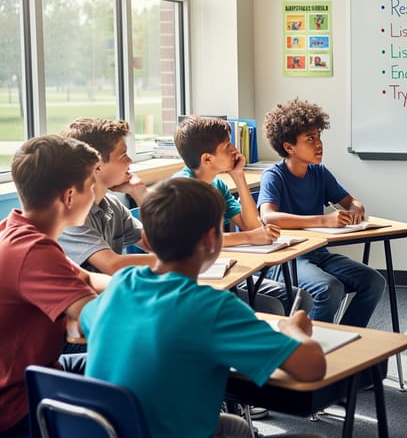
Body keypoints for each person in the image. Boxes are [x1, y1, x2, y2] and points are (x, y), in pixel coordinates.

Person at [81, 177, 326, 438]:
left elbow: (85, 321)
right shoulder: (213, 309)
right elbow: (312, 367)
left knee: (234, 426)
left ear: (147, 241)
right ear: (212, 239)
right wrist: (292, 329)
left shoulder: (119, 286)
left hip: (116, 430)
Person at [0, 136, 109, 436]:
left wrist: (145, 286)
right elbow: (96, 320)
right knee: (140, 372)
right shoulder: (33, 252)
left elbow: (87, 279)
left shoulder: (16, 229)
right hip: (19, 403)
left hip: (41, 370)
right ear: (70, 196)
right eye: (91, 185)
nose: (96, 193)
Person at [258, 100, 385, 327]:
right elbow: (268, 216)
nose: (319, 144)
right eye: (310, 139)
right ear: (289, 147)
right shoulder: (273, 175)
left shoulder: (319, 172)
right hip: (287, 259)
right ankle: (316, 348)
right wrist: (324, 220)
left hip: (318, 253)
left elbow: (351, 202)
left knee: (374, 281)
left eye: (319, 137)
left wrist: (357, 209)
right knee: (329, 288)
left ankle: (344, 338)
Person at [173, 116, 291, 315]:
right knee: (273, 307)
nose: (235, 150)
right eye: (227, 145)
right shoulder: (181, 189)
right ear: (207, 159)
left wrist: (238, 176)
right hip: (194, 281)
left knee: (295, 298)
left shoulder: (217, 184)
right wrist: (249, 238)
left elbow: (252, 226)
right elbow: (197, 243)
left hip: (222, 270)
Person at [58, 118, 157, 274]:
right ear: (96, 165)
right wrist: (176, 260)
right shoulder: (69, 213)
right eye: (123, 155)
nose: (130, 160)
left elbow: (157, 244)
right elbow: (112, 265)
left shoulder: (112, 205)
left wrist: (140, 194)